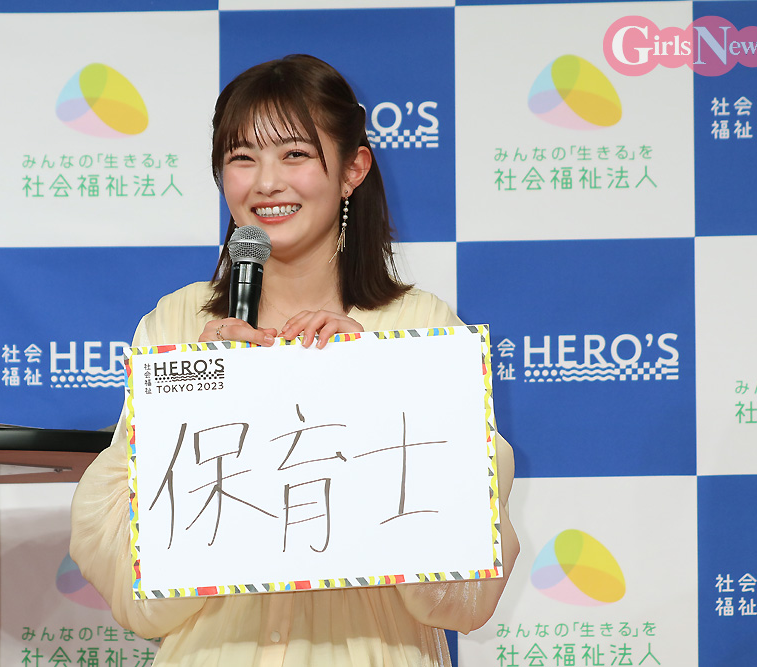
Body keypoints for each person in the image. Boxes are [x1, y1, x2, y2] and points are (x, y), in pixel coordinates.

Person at [70, 54, 518, 667]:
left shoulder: (418, 327)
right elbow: (119, 562)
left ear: (353, 169)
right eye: (242, 158)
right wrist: (200, 405)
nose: (266, 183)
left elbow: (465, 593)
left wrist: (374, 386)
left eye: (295, 155)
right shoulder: (177, 325)